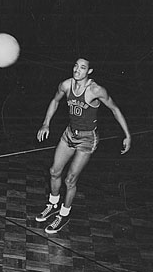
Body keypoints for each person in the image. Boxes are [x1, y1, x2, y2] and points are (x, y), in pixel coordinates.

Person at [36, 57, 131, 234]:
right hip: (69, 134)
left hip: (87, 140)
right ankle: (53, 203)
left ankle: (64, 214)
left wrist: (127, 135)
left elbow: (115, 109)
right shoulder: (66, 85)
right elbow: (55, 101)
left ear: (89, 71)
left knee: (70, 179)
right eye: (75, 66)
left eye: (82, 67)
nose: (77, 70)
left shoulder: (96, 90)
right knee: (54, 171)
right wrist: (46, 123)